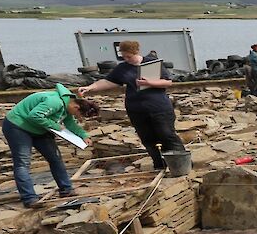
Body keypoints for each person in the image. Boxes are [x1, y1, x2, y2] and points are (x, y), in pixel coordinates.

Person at [79, 39, 185, 172]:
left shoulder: (152, 63)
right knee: (147, 139)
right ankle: (159, 165)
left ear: (136, 52)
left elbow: (167, 82)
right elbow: (108, 81)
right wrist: (90, 88)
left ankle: (180, 163)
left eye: (129, 56)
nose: (126, 59)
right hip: (136, 109)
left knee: (167, 135)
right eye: (123, 56)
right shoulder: (122, 68)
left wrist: (150, 83)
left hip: (159, 107)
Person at [2, 84, 95, 207]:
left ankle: (66, 190)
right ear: (76, 107)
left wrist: (83, 135)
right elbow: (34, 115)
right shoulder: (55, 102)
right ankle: (29, 198)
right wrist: (55, 125)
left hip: (40, 128)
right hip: (18, 126)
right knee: (22, 163)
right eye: (79, 115)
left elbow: (69, 123)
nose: (78, 118)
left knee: (55, 158)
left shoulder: (68, 106)